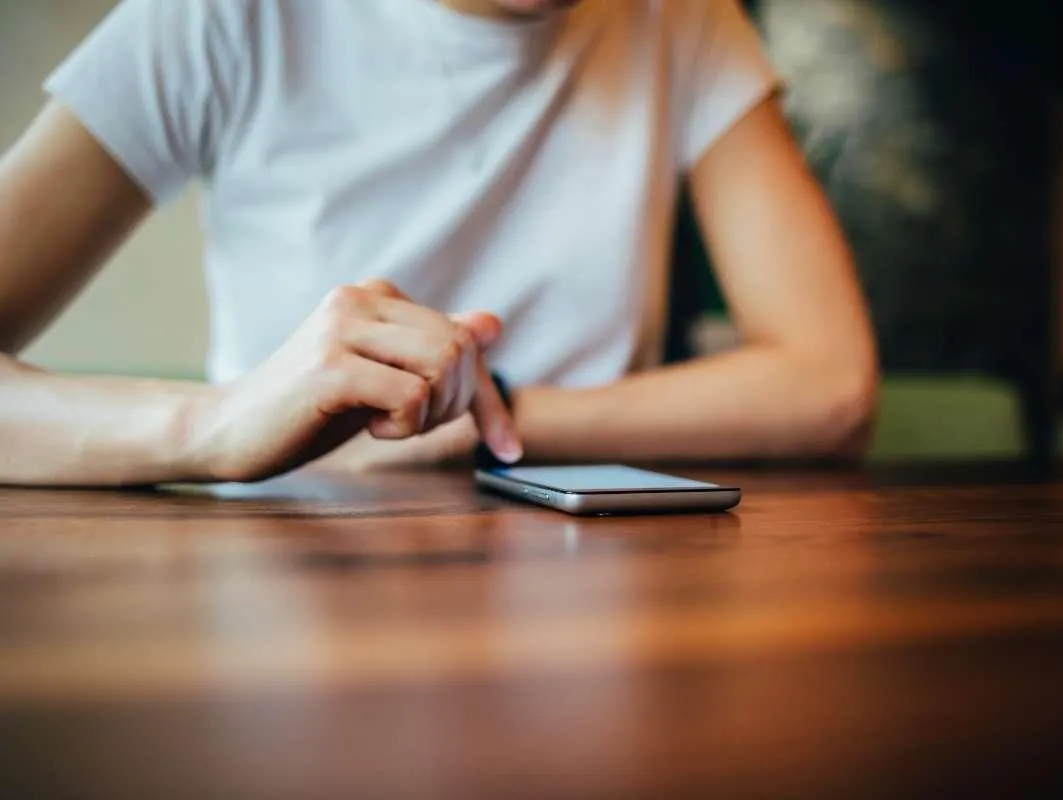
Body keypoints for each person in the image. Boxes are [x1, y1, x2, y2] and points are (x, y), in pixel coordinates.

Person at [0, 0, 877, 487]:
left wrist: (493, 427)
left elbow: (830, 383)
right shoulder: (219, 19)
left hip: (592, 573)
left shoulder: (682, 19)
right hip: (280, 578)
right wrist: (214, 427)